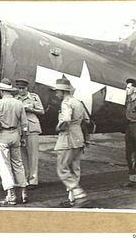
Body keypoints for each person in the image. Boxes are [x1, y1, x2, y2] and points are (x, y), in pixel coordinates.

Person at [0, 78, 28, 205]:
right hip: (15, 135)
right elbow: (24, 124)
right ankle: (24, 191)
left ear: (1, 91)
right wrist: (23, 137)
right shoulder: (19, 103)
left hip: (2, 135)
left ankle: (11, 195)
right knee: (18, 164)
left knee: (5, 165)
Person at [54, 78, 90, 208]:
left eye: (57, 91)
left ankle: (79, 194)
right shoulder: (78, 102)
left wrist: (58, 127)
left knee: (62, 168)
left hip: (67, 138)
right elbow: (87, 119)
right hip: (78, 137)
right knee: (75, 168)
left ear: (63, 92)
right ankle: (73, 199)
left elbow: (66, 119)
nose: (56, 94)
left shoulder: (66, 102)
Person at [15, 78, 44, 189]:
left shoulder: (34, 97)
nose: (21, 90)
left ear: (27, 88)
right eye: (19, 88)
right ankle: (24, 179)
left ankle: (33, 181)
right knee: (22, 157)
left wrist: (31, 109)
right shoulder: (15, 98)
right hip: (20, 130)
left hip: (32, 128)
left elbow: (41, 111)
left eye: (23, 88)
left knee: (33, 156)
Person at [123, 78, 136, 188]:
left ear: (135, 89)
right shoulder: (128, 100)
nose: (126, 89)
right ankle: (133, 180)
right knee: (129, 154)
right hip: (129, 127)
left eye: (128, 88)